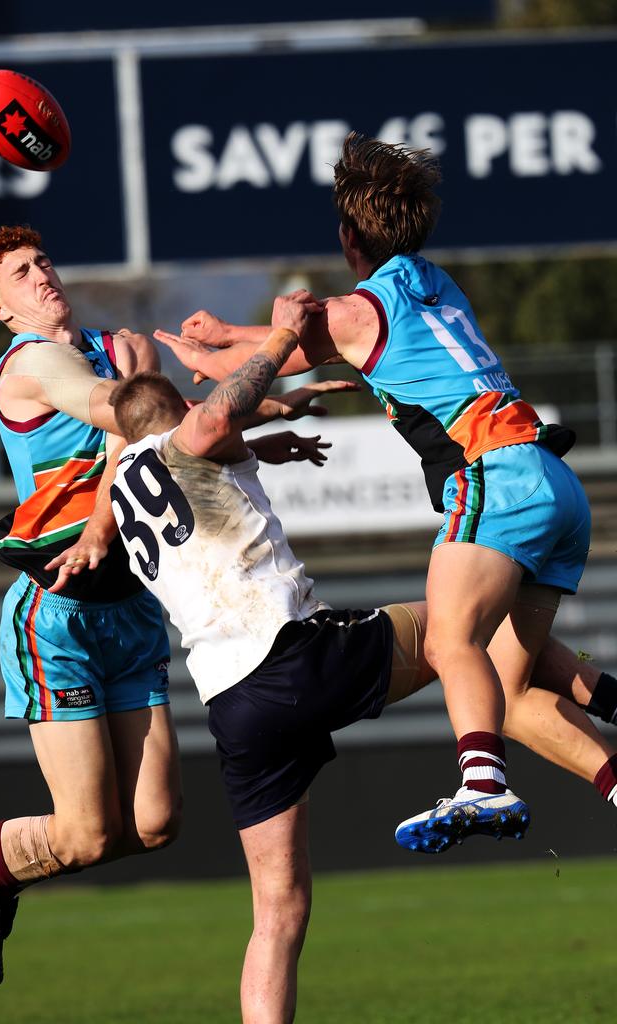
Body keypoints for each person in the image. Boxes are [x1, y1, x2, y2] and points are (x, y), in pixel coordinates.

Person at [0, 227, 353, 998]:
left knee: (154, 823)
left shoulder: (100, 344)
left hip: (131, 611)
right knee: (85, 832)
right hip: (58, 615)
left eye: (44, 261)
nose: (42, 275)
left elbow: (173, 419)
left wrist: (270, 418)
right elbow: (124, 411)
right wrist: (157, 380)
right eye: (21, 273)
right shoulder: (33, 363)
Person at [108, 306, 617, 1024]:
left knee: (277, 914)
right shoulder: (189, 435)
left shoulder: (123, 484)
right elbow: (209, 426)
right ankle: (583, 715)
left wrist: (273, 425)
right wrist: (283, 337)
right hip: (292, 652)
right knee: (462, 629)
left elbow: (206, 446)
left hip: (233, 705)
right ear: (181, 408)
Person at [154, 132, 593, 853]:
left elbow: (294, 347)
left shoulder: (360, 308)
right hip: (553, 483)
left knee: (453, 639)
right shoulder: (434, 282)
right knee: (507, 690)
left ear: (347, 233)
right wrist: (231, 335)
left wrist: (209, 352)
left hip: (494, 473)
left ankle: (482, 784)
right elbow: (309, 336)